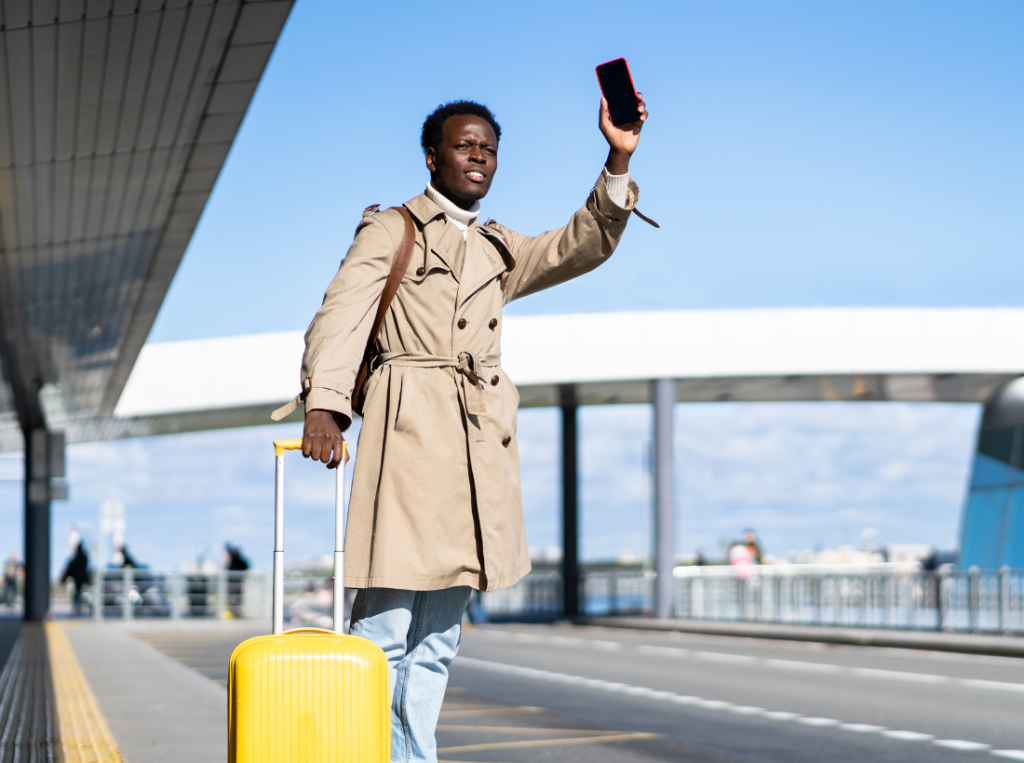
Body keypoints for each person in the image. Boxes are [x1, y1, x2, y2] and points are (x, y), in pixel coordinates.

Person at [278, 92, 648, 763]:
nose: (479, 156)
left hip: (477, 452)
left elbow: (578, 245)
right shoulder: (392, 229)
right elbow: (340, 315)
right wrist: (324, 404)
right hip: (410, 436)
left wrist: (617, 157)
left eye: (489, 148)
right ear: (432, 156)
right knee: (384, 631)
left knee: (439, 643)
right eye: (464, 145)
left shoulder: (497, 246)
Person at [61, 542, 91, 616]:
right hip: (81, 578)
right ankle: (79, 609)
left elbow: (72, 566)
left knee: (78, 595)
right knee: (79, 594)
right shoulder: (84, 557)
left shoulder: (77, 557)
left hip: (77, 578)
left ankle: (78, 609)